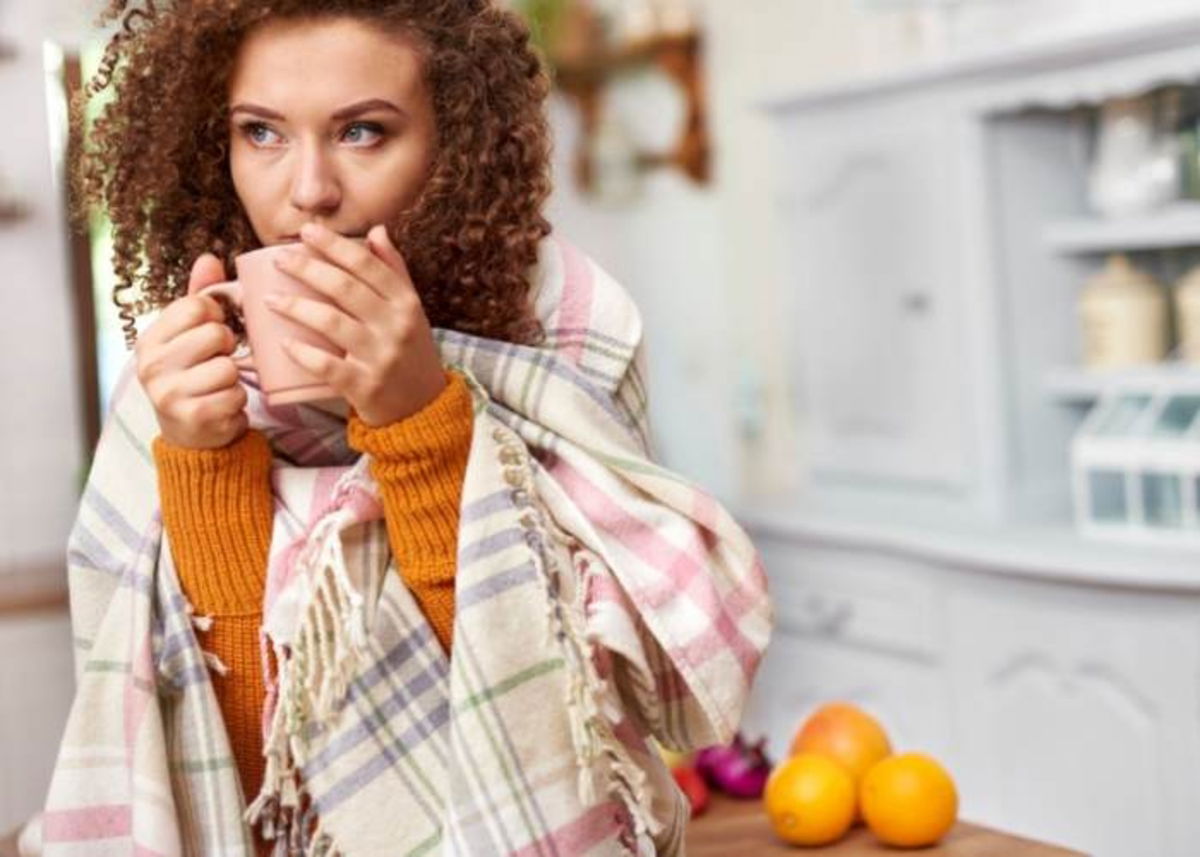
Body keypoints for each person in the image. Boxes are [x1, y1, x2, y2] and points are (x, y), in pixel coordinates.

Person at [33, 1, 773, 855]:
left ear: (451, 148)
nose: (308, 190)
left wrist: (421, 423)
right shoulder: (172, 379)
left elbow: (555, 729)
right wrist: (205, 463)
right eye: (262, 133)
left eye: (363, 132)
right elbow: (228, 783)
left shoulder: (572, 331)